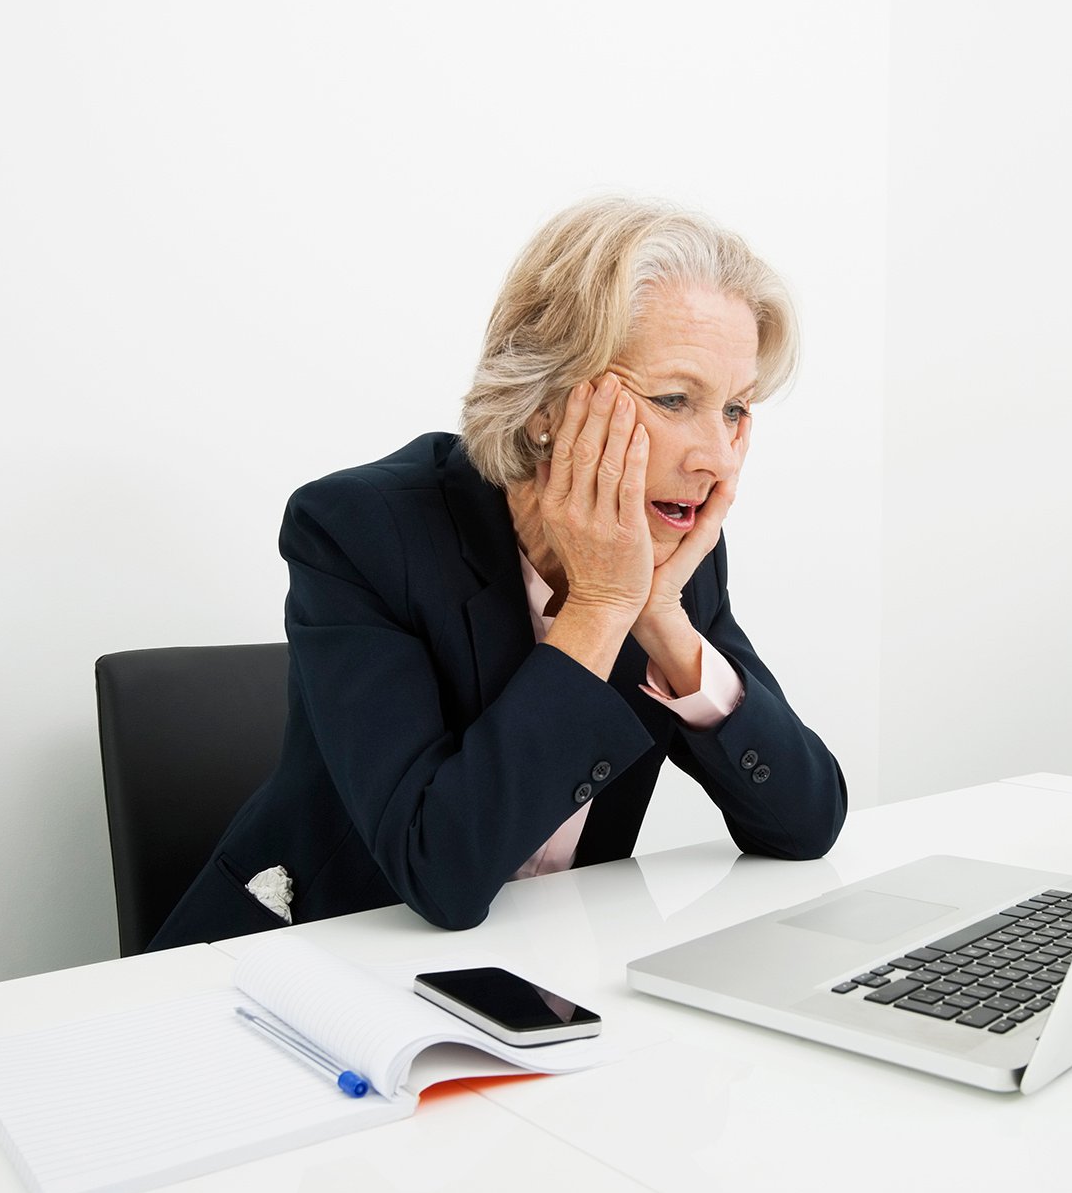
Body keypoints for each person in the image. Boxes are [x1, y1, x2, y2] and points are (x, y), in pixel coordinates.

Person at [148, 197, 846, 947]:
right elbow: (442, 875)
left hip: (535, 970)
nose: (715, 456)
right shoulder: (359, 530)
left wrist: (664, 623)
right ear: (547, 403)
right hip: (295, 964)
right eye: (676, 399)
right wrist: (603, 606)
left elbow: (806, 824)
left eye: (736, 409)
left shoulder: (667, 535)